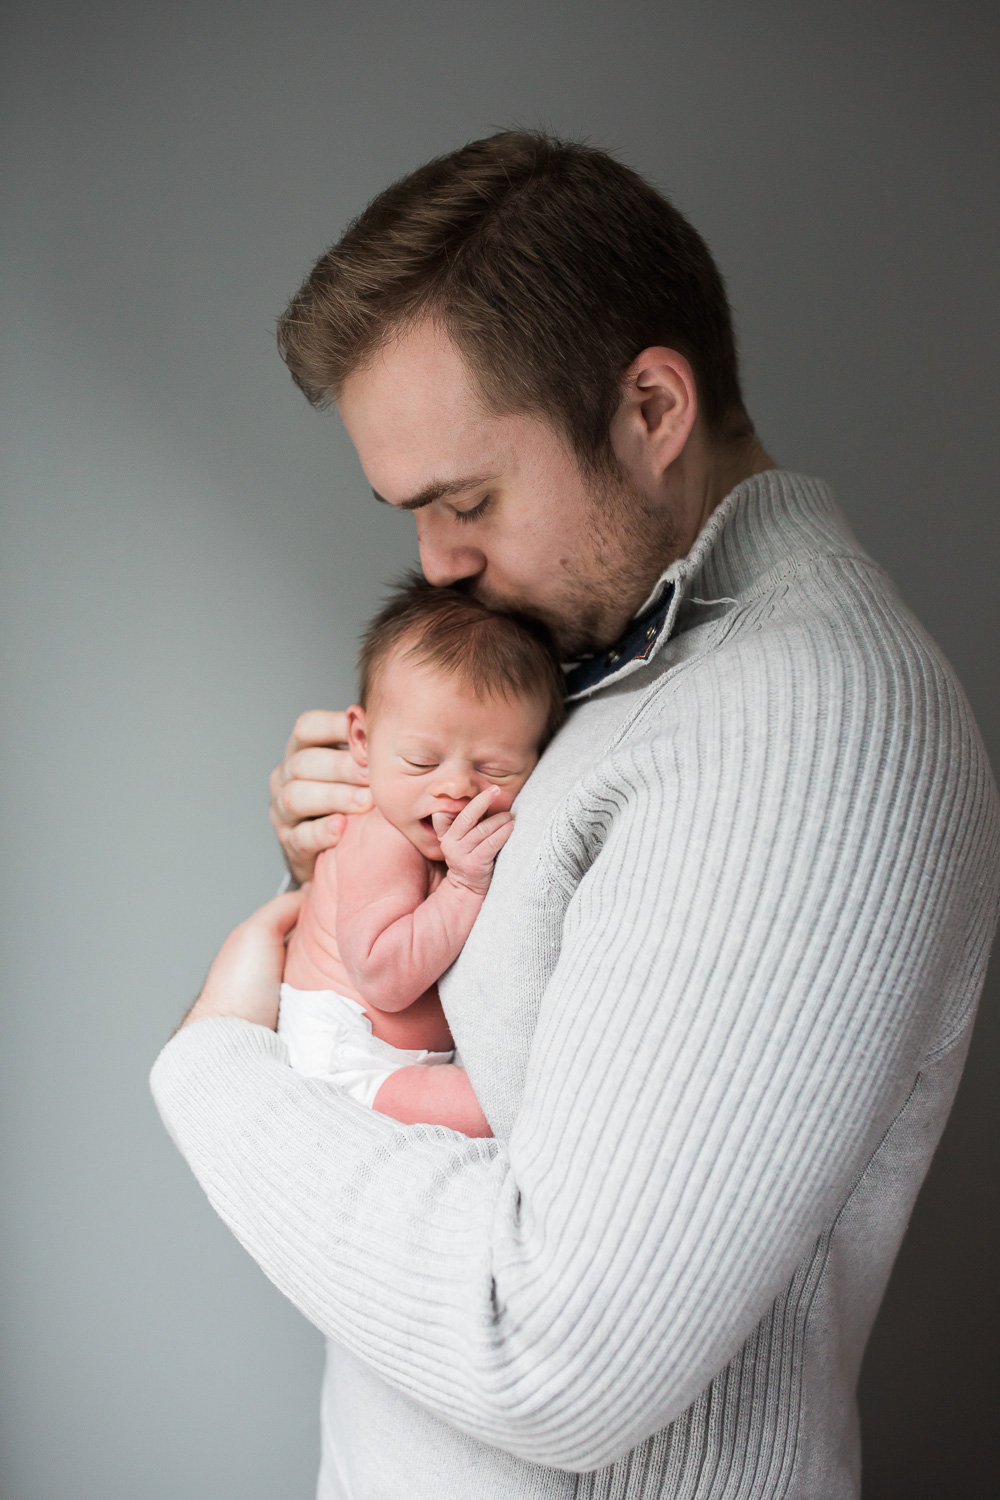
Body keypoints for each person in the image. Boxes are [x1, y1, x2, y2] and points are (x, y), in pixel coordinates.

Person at [151, 132, 1000, 1500]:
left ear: (652, 410)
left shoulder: (803, 724)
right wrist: (363, 887)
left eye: (468, 499)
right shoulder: (614, 661)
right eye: (411, 513)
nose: (436, 567)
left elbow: (540, 1347)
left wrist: (215, 1061)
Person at [277, 576, 565, 1137]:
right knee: (507, 1111)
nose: (455, 787)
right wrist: (462, 889)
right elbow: (384, 974)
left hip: (393, 1058)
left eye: (494, 769)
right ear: (362, 741)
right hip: (348, 1063)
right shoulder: (378, 834)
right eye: (419, 762)